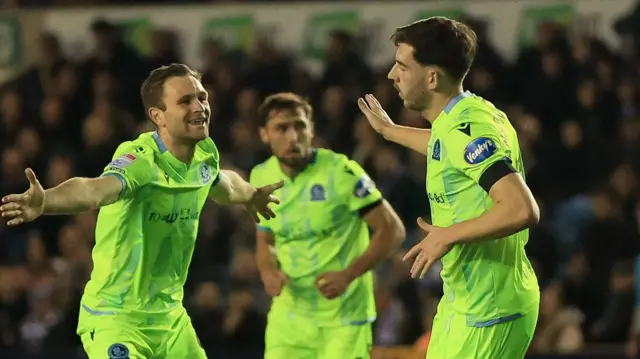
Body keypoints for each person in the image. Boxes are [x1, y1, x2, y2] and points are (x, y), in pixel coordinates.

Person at [0, 63, 283, 359]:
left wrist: (250, 196)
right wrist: (46, 200)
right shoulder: (140, 161)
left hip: (170, 320)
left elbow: (223, 183)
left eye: (202, 97)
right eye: (185, 101)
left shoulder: (204, 154)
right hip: (116, 319)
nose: (199, 107)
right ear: (157, 116)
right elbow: (93, 190)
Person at [357, 17, 541, 358]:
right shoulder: (467, 115)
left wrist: (447, 234)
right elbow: (446, 146)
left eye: (402, 66)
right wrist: (390, 131)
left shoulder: (467, 128)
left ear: (431, 77)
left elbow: (522, 208)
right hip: (462, 303)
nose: (391, 75)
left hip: (490, 311)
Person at [250, 92, 406, 359]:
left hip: (343, 319)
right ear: (264, 134)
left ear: (311, 130)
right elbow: (265, 240)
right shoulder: (260, 176)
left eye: (300, 126)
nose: (292, 136)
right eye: (281, 128)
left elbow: (393, 231)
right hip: (290, 318)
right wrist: (267, 271)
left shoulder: (341, 171)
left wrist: (348, 274)